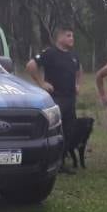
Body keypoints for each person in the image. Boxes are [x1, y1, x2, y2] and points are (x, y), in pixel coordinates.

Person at [27, 28, 82, 174]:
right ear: (59, 38)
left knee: (69, 131)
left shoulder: (73, 55)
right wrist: (41, 83)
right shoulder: (50, 53)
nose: (72, 38)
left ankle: (61, 162)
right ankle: (47, 161)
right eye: (68, 35)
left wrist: (77, 84)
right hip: (55, 98)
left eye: (73, 35)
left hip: (70, 99)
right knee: (54, 131)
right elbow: (31, 65)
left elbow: (78, 70)